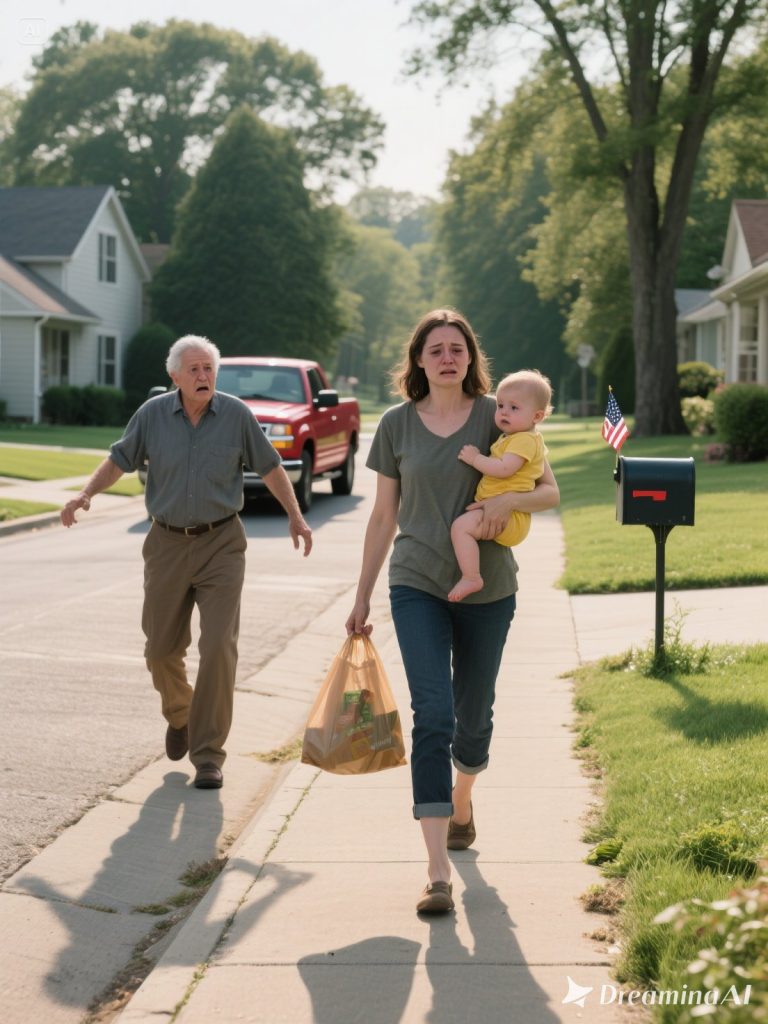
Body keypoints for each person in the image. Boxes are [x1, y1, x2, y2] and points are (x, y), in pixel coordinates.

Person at [345, 309, 559, 915]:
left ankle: (464, 798)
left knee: (474, 713)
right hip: (416, 583)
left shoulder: (502, 413)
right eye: (435, 348)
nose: (446, 357)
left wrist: (510, 498)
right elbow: (384, 516)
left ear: (470, 358)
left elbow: (549, 491)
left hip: (489, 588)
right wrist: (361, 594)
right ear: (417, 360)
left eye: (457, 348)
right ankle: (437, 869)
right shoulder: (395, 425)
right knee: (432, 711)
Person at [60, 335, 312, 790]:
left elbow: (272, 466)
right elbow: (119, 459)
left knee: (218, 646)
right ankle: (181, 715)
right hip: (167, 543)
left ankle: (209, 755)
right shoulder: (152, 415)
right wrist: (85, 493)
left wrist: (295, 516)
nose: (203, 377)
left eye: (209, 369)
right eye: (193, 369)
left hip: (222, 543)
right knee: (159, 650)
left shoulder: (235, 415)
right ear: (174, 375)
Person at [448, 369, 552, 602]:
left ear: (536, 416)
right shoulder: (514, 437)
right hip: (503, 513)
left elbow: (505, 468)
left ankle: (472, 577)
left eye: (514, 408)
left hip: (509, 517)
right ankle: (471, 575)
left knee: (460, 528)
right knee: (462, 527)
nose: (504, 412)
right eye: (501, 405)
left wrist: (475, 458)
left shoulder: (525, 440)